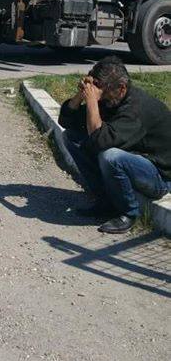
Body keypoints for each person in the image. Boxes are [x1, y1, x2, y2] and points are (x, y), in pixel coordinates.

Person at [59, 55, 171, 234]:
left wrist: (92, 102)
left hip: (159, 176)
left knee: (110, 156)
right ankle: (105, 201)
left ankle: (128, 213)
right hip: (136, 159)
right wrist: (80, 95)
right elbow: (67, 122)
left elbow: (100, 141)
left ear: (122, 88)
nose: (99, 96)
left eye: (103, 91)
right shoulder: (112, 99)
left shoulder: (135, 109)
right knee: (71, 137)